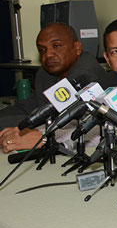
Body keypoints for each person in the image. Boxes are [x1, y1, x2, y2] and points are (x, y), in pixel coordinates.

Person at [0, 22, 106, 153]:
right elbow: (28, 107)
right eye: (42, 50)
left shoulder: (86, 76)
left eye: (57, 46)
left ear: (77, 47)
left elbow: (52, 120)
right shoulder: (47, 73)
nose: (48, 55)